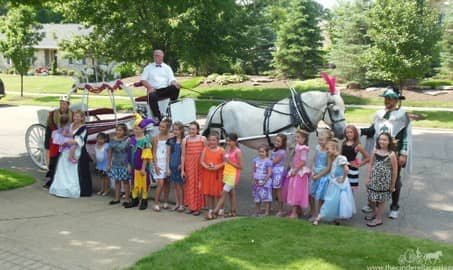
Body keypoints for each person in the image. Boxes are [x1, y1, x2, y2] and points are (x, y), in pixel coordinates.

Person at [360, 86, 412, 219]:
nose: (387, 101)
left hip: (394, 153)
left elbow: (405, 135)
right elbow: (373, 131)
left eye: (390, 98)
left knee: (394, 180)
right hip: (378, 151)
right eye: (386, 98)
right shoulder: (379, 114)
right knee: (375, 176)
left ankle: (394, 206)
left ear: (396, 100)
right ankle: (374, 205)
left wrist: (404, 153)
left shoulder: (402, 115)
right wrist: (357, 131)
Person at [49, 110, 92, 198]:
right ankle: (61, 188)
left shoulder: (83, 128)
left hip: (76, 151)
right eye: (75, 116)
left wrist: (65, 142)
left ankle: (72, 189)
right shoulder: (70, 125)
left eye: (78, 116)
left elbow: (78, 141)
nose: (75, 118)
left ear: (82, 118)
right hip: (66, 150)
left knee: (73, 170)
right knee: (62, 168)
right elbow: (64, 134)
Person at [313, 139, 355, 225]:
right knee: (334, 200)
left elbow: (346, 169)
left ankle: (319, 217)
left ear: (334, 148)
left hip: (339, 183)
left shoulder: (341, 158)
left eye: (328, 149)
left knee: (331, 200)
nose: (327, 151)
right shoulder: (333, 158)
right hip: (333, 183)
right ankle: (334, 218)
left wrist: (342, 179)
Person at [365, 132, 398, 227]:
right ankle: (375, 213)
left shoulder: (391, 154)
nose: (382, 141)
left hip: (384, 182)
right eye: (380, 139)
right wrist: (368, 178)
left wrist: (392, 185)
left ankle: (378, 219)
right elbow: (371, 164)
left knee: (381, 200)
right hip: (374, 179)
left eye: (384, 140)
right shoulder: (375, 151)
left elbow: (395, 171)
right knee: (371, 197)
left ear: (389, 142)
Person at [140, 49, 181, 121]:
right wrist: (149, 87)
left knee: (175, 88)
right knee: (152, 95)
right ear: (154, 57)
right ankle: (158, 117)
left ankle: (171, 106)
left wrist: (175, 83)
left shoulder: (167, 67)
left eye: (162, 56)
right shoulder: (148, 68)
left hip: (165, 90)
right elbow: (143, 80)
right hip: (154, 90)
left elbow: (172, 79)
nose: (160, 58)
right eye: (158, 56)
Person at [43, 95, 72, 189]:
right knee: (54, 161)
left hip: (67, 141)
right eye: (61, 103)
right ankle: (51, 180)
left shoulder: (73, 114)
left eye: (64, 104)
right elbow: (49, 129)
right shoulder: (52, 114)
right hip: (55, 141)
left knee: (65, 162)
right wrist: (47, 143)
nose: (62, 106)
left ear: (68, 105)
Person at [124, 116, 154, 210]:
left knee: (144, 184)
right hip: (133, 167)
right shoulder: (131, 140)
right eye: (135, 128)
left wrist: (143, 168)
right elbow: (128, 153)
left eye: (138, 128)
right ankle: (134, 199)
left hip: (142, 168)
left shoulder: (145, 141)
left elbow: (146, 155)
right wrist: (128, 164)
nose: (135, 130)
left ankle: (144, 201)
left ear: (143, 129)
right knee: (134, 184)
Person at [212, 133, 243, 218]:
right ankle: (233, 211)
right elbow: (224, 160)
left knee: (223, 193)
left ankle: (215, 212)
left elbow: (240, 166)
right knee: (231, 193)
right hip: (227, 173)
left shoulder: (238, 152)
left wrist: (229, 161)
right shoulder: (228, 150)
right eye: (227, 141)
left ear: (235, 141)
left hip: (233, 175)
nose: (228, 142)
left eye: (230, 141)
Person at [181, 121, 207, 216]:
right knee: (190, 185)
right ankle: (191, 206)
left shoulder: (202, 139)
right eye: (190, 129)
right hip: (189, 165)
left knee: (198, 185)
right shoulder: (185, 140)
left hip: (199, 165)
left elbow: (206, 152)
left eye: (193, 129)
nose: (191, 131)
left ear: (198, 130)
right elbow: (183, 155)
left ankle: (198, 207)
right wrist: (182, 169)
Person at [286, 129, 311, 219]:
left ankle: (294, 213)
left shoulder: (304, 149)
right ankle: (297, 210)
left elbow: (303, 162)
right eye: (296, 137)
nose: (296, 139)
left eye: (298, 137)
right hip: (295, 169)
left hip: (299, 172)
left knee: (296, 191)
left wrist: (295, 170)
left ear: (304, 139)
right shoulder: (298, 146)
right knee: (293, 189)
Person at [309, 129, 333, 221]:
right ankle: (314, 212)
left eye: (322, 140)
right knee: (312, 194)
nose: (320, 142)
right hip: (316, 172)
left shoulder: (328, 151)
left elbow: (328, 167)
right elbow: (314, 159)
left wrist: (318, 176)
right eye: (319, 139)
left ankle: (319, 214)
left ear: (327, 140)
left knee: (321, 197)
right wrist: (313, 170)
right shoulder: (318, 148)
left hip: (323, 176)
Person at [200, 132, 225, 220]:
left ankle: (220, 209)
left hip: (217, 175)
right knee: (209, 193)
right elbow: (202, 161)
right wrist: (206, 166)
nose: (212, 142)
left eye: (214, 140)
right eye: (210, 140)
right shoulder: (205, 149)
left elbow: (225, 162)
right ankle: (210, 209)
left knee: (218, 193)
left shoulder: (221, 150)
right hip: (207, 174)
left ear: (218, 141)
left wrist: (217, 166)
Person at [341, 125, 370, 193]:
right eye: (347, 132)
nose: (349, 134)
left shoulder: (357, 145)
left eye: (351, 132)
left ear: (355, 133)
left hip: (352, 169)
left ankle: (349, 203)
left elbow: (368, 158)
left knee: (350, 189)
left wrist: (358, 165)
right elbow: (340, 155)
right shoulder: (344, 143)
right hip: (343, 167)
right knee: (342, 187)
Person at [107, 124, 131, 206]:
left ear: (124, 131)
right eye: (117, 130)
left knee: (125, 181)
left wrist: (129, 164)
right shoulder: (112, 140)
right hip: (115, 163)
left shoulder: (128, 140)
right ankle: (117, 198)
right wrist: (109, 164)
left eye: (120, 130)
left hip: (125, 163)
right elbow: (110, 152)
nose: (118, 132)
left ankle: (127, 199)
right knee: (117, 181)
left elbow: (129, 153)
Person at [152, 118, 172, 211]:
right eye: (160, 126)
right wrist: (155, 165)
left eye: (163, 127)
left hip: (167, 162)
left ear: (167, 128)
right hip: (159, 162)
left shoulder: (171, 137)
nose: (160, 128)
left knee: (167, 183)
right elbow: (154, 152)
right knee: (160, 183)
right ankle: (156, 202)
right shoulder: (156, 138)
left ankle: (165, 201)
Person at [166, 121, 185, 212]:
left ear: (181, 130)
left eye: (177, 129)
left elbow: (185, 154)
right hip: (172, 165)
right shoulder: (171, 140)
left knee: (180, 186)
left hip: (179, 165)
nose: (175, 131)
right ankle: (177, 203)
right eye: (174, 129)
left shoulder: (184, 140)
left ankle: (182, 204)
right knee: (175, 186)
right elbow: (168, 154)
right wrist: (168, 167)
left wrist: (182, 164)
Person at [252, 145, 273, 217]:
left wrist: (265, 181)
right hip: (257, 181)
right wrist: (254, 178)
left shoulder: (268, 161)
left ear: (266, 152)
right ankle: (257, 211)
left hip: (265, 181)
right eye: (259, 151)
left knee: (266, 197)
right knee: (257, 197)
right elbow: (254, 170)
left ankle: (267, 212)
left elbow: (269, 172)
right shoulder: (255, 160)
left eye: (263, 152)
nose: (261, 153)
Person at [270, 134, 288, 217]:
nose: (276, 142)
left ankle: (280, 210)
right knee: (273, 190)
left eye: (278, 141)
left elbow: (273, 162)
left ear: (283, 143)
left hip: (278, 173)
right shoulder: (275, 149)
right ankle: (271, 207)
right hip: (273, 171)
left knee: (278, 191)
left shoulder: (282, 152)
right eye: (275, 140)